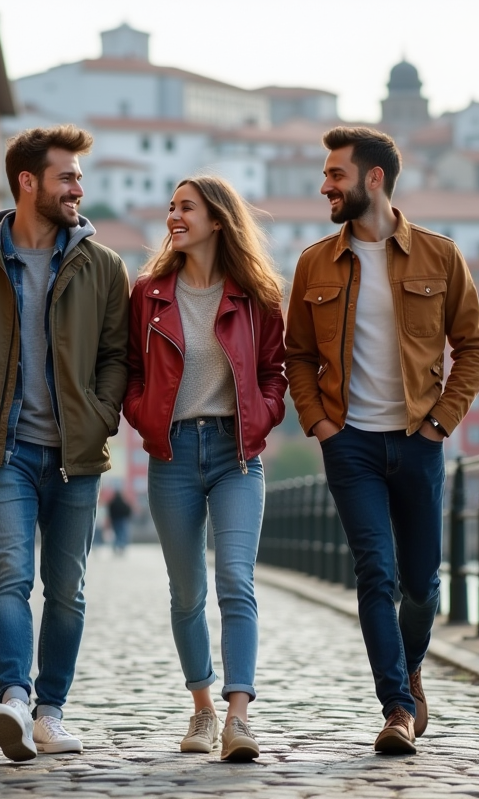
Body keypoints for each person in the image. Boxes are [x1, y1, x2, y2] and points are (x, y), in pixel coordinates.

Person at [285, 127, 479, 754]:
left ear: (373, 179)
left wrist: (441, 423)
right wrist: (319, 421)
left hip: (418, 441)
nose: (326, 185)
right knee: (374, 571)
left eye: (336, 174)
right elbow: (296, 354)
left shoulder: (440, 256)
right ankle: (397, 708)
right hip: (350, 444)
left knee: (422, 584)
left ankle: (409, 666)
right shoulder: (315, 262)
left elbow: (474, 347)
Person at [0, 125, 130, 761]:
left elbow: (116, 356)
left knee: (67, 589)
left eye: (78, 176)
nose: (79, 188)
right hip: (5, 450)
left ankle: (51, 710)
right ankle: (15, 701)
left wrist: (101, 415)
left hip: (76, 454)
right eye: (67, 177)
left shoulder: (102, 266)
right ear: (28, 184)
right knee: (9, 577)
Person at [124, 175, 287, 762]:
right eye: (170, 206)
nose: (174, 215)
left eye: (185, 207)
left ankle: (238, 718)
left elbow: (275, 374)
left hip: (235, 455)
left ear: (217, 219)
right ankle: (200, 710)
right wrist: (143, 417)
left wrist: (263, 417)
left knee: (236, 582)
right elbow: (133, 374)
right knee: (187, 590)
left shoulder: (257, 296)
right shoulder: (148, 294)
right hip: (171, 456)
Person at [106, 489, 133, 554]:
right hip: (122, 520)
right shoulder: (123, 503)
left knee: (117, 534)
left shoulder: (112, 503)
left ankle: (116, 546)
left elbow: (109, 512)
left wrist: (111, 519)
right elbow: (128, 510)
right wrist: (127, 517)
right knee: (123, 533)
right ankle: (122, 546)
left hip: (115, 520)